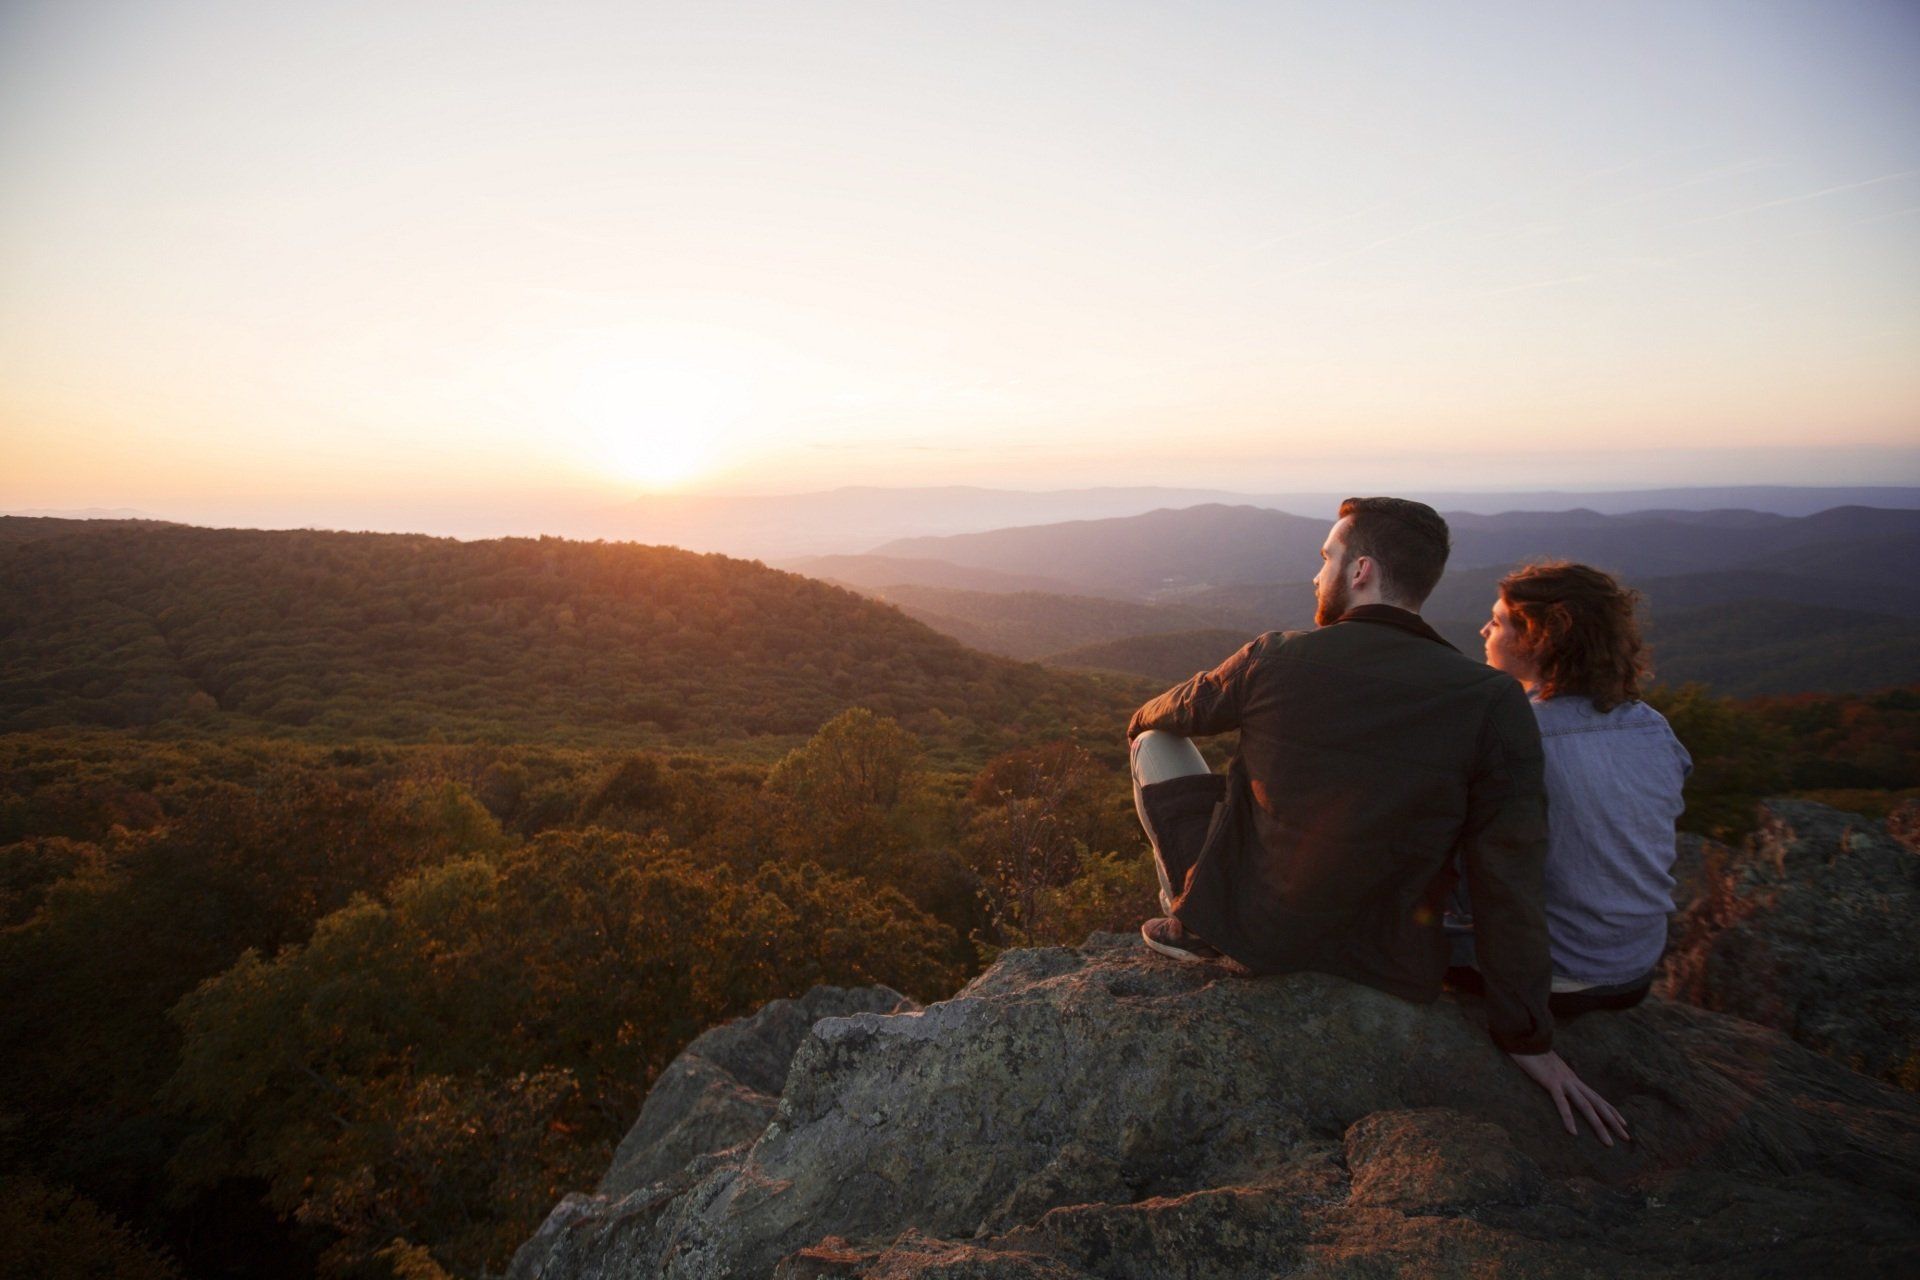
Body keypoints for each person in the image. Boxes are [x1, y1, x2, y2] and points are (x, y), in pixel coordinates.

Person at [1129, 497, 1629, 1146]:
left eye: (1326, 558)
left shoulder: (1272, 657)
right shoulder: (1492, 699)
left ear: (1360, 570)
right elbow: (1507, 876)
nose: (1317, 575)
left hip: (1258, 938)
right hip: (1389, 960)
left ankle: (1191, 916)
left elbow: (1154, 717)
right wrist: (1526, 1036)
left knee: (1153, 744)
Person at [1449, 561, 1692, 1017]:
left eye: (1498, 622)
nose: (1483, 630)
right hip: (1634, 969)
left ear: (1541, 636)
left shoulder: (1512, 733)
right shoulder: (1652, 727)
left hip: (1552, 973)